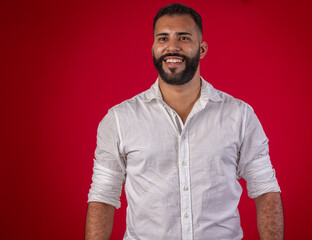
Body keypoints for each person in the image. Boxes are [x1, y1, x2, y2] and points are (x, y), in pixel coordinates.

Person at [85, 3, 283, 240]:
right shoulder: (119, 119)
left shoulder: (239, 115)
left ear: (202, 49)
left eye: (183, 37)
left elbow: (266, 190)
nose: (172, 47)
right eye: (163, 38)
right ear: (154, 48)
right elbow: (103, 196)